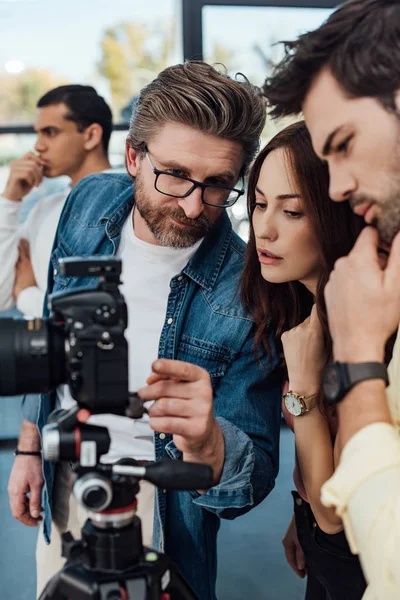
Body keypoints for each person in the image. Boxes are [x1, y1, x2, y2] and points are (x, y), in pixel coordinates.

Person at [8, 62, 282, 600]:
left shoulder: (251, 290)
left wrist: (209, 445)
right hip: (68, 475)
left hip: (165, 512)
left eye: (218, 184)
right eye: (174, 174)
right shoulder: (86, 204)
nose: (192, 205)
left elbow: (254, 477)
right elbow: (56, 328)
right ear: (133, 156)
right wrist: (28, 445)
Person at [262, 1, 400, 598]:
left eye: (344, 144)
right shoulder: (303, 314)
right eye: (258, 205)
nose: (341, 186)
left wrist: (357, 364)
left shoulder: (365, 322)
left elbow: (361, 527)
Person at [240, 120, 377, 599]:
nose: (265, 228)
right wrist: (299, 512)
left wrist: (302, 384)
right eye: (258, 204)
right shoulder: (303, 310)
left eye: (292, 211)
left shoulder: (367, 332)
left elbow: (334, 515)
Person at [0, 84, 113, 317]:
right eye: (38, 133)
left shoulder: (130, 203)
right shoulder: (44, 209)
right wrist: (10, 200)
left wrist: (27, 295)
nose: (38, 146)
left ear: (91, 135)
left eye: (50, 132)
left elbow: (100, 315)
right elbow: (2, 296)